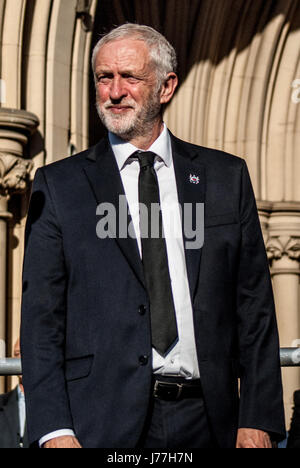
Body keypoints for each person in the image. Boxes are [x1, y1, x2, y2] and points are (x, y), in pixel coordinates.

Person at [21, 23, 285, 449]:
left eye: (130, 77)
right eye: (104, 77)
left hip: (209, 420)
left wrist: (257, 417)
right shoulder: (60, 186)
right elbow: (41, 321)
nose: (115, 91)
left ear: (166, 86)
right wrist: (54, 430)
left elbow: (254, 307)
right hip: (99, 425)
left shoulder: (224, 178)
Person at [0, 339, 29, 448]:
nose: (21, 358)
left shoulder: (52, 404)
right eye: (17, 354)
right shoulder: (1, 403)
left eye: (26, 352)